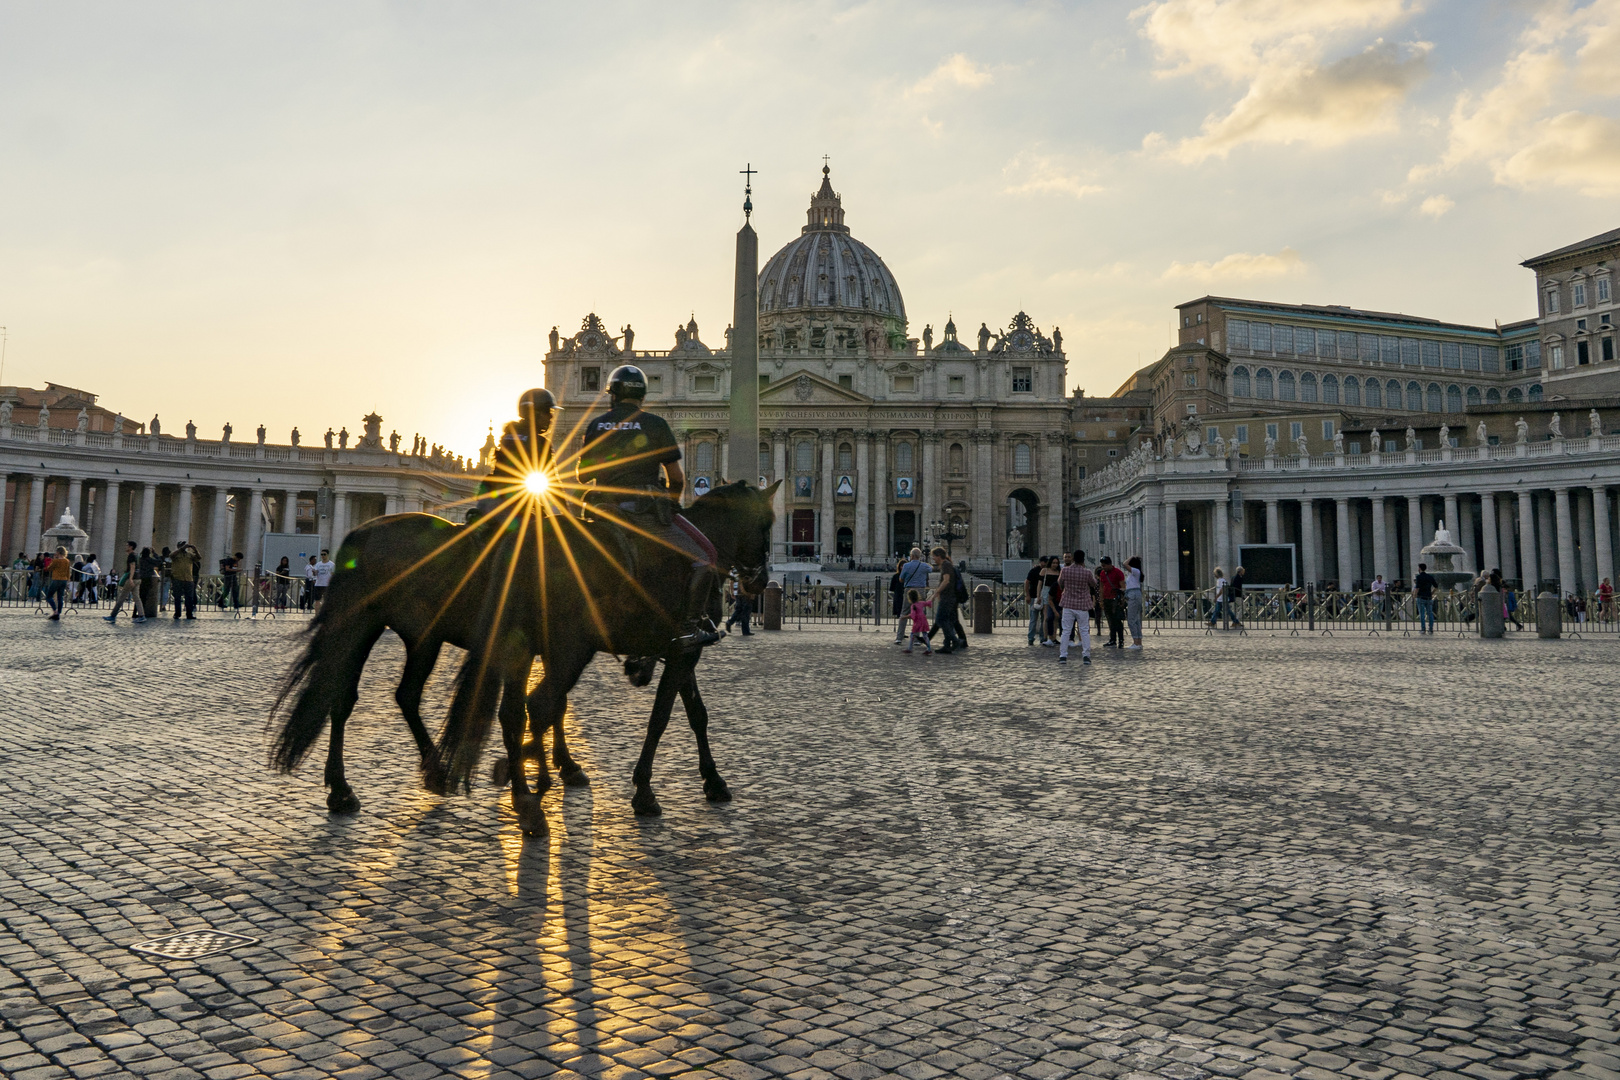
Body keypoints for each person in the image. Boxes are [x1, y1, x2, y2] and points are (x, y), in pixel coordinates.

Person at [577, 363, 718, 649]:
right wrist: (670, 505)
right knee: (706, 558)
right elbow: (676, 478)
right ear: (642, 396)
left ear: (612, 395)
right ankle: (688, 629)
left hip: (602, 512)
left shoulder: (596, 424)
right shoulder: (654, 424)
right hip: (641, 513)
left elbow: (582, 476)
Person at [471, 387, 556, 522]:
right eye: (548, 412)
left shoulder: (508, 435)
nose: (551, 417)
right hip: (510, 506)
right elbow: (552, 482)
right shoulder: (540, 441)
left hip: (486, 498)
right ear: (535, 413)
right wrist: (568, 514)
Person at [1056, 549, 1097, 664]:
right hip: (1082, 604)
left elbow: (1060, 583)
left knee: (1066, 631)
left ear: (1073, 558)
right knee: (1084, 631)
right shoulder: (1087, 572)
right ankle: (1086, 656)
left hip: (1068, 604)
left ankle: (1063, 656)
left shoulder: (1065, 571)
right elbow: (1094, 584)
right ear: (1083, 560)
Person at [929, 547, 966, 654]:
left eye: (934, 556)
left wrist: (936, 593)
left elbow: (946, 581)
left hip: (948, 597)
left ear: (939, 556)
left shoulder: (946, 565)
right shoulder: (947, 565)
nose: (933, 559)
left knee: (941, 620)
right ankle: (947, 645)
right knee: (948, 621)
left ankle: (955, 641)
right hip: (949, 597)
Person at [893, 548, 931, 644]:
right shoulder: (923, 566)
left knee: (904, 613)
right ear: (919, 556)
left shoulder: (906, 565)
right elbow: (931, 569)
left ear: (911, 556)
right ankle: (916, 639)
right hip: (921, 590)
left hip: (909, 590)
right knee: (918, 613)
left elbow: (901, 579)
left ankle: (899, 638)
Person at [104, 541, 147, 623]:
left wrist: (130, 578)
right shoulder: (137, 555)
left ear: (131, 547)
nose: (125, 547)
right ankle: (142, 616)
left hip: (132, 579)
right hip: (138, 578)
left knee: (122, 597)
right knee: (137, 598)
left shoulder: (131, 556)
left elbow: (132, 567)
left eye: (127, 545)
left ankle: (113, 615)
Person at [1097, 556, 1126, 647]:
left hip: (1115, 599)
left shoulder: (1118, 572)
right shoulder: (1102, 573)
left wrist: (1121, 598)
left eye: (1104, 565)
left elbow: (1123, 587)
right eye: (1102, 565)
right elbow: (1101, 587)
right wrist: (1101, 600)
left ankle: (1121, 640)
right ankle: (1112, 639)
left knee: (1117, 620)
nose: (1103, 567)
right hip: (1106, 599)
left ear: (1109, 564)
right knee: (1110, 620)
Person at [169, 540, 200, 620]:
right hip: (178, 578)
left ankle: (189, 614)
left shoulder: (189, 555)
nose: (184, 547)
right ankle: (177, 613)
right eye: (182, 545)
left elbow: (199, 558)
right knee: (177, 597)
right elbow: (171, 555)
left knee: (189, 597)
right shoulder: (176, 554)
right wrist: (181, 549)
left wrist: (195, 550)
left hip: (189, 578)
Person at [42, 546, 71, 620]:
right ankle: (59, 612)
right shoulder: (67, 561)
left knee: (49, 596)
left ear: (58, 552)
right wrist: (68, 580)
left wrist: (47, 566)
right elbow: (68, 572)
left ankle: (55, 610)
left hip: (56, 579)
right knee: (60, 597)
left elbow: (49, 568)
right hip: (64, 580)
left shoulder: (56, 561)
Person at [1025, 556, 1048, 646]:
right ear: (1040, 562)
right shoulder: (1034, 571)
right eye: (1043, 562)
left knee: (1044, 619)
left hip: (1044, 598)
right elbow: (1027, 582)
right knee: (1033, 619)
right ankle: (1031, 638)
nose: (1045, 564)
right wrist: (1027, 595)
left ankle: (1043, 637)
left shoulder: (1048, 571)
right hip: (1034, 597)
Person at [1124, 555, 1145, 650]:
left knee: (1131, 620)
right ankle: (1138, 642)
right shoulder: (1134, 574)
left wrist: (1131, 556)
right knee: (1136, 620)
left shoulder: (1136, 571)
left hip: (1134, 594)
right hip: (1134, 594)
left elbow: (1124, 564)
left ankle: (1136, 642)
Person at [903, 589, 932, 654]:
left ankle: (910, 648)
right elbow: (928, 603)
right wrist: (932, 599)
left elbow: (913, 615)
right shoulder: (921, 603)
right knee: (925, 634)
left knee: (912, 634)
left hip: (917, 622)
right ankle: (929, 648)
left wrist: (905, 617)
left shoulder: (913, 606)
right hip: (923, 620)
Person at [1413, 562, 1438, 633]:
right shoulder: (1430, 576)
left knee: (1422, 614)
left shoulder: (1419, 577)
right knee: (1430, 613)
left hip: (1421, 597)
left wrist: (1414, 595)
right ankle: (1430, 629)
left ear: (1420, 568)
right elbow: (1436, 586)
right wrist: (1431, 593)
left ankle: (1423, 629)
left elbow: (1417, 588)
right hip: (1429, 597)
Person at [138, 546, 162, 617]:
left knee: (139, 596)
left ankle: (136, 612)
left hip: (141, 577)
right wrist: (154, 553)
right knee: (145, 596)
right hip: (147, 578)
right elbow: (159, 561)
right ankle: (143, 612)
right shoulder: (149, 560)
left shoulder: (141, 559)